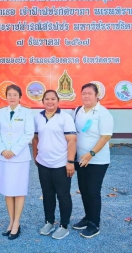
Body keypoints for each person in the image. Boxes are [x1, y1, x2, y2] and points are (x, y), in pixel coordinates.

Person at [32, 90, 76, 240]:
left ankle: (64, 225)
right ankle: (49, 222)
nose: (50, 102)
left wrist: (70, 162)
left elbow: (72, 140)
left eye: (53, 99)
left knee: (63, 196)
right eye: (47, 99)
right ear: (42, 101)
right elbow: (36, 138)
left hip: (61, 164)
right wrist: (35, 156)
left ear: (58, 101)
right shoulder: (38, 117)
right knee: (48, 195)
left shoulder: (65, 117)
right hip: (44, 164)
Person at [72, 83, 114, 239]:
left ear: (97, 96)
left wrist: (91, 153)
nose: (86, 96)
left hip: (97, 160)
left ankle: (94, 224)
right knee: (83, 190)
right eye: (84, 93)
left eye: (89, 93)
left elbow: (105, 136)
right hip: (80, 159)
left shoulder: (103, 113)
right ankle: (88, 217)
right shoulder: (78, 111)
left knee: (93, 191)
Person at [0, 84, 34, 240]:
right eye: (9, 94)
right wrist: (3, 150)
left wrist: (14, 150)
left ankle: (17, 223)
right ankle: (10, 222)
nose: (12, 97)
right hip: (3, 157)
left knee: (19, 190)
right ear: (6, 96)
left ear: (20, 96)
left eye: (15, 94)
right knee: (7, 190)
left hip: (20, 157)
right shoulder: (0, 113)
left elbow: (28, 134)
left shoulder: (27, 113)